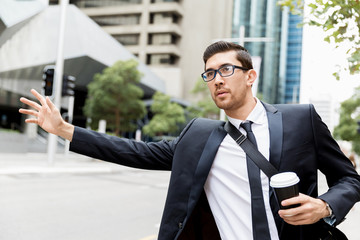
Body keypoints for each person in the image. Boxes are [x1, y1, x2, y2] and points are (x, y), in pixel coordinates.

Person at [19, 41, 360, 240]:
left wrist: (326, 206)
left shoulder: (301, 119)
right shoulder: (199, 136)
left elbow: (350, 179)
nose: (216, 80)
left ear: (250, 75)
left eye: (226, 70)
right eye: (209, 73)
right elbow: (136, 151)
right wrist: (66, 130)